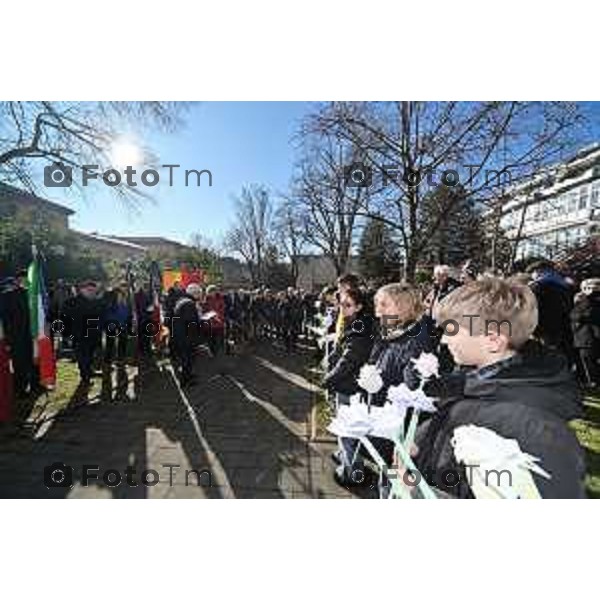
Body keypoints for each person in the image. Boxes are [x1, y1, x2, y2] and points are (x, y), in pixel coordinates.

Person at [412, 277, 585, 498]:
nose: (444, 340)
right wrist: (420, 449)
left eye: (451, 329)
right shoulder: (470, 384)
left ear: (493, 340)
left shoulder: (536, 424)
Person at [323, 287, 375, 486]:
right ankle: (350, 460)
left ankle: (351, 471)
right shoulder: (356, 322)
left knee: (347, 430)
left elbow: (349, 359)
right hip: (350, 383)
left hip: (348, 385)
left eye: (348, 305)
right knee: (350, 429)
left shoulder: (360, 327)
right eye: (341, 304)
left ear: (359, 306)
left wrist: (329, 378)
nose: (342, 308)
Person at [528, 260, 575, 363]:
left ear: (539, 271)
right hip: (563, 326)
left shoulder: (536, 286)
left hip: (542, 329)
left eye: (533, 272)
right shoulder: (566, 286)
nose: (532, 275)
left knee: (544, 357)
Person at [66, 280, 103, 387]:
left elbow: (100, 315)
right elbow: (66, 318)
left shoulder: (95, 301)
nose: (91, 292)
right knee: (83, 357)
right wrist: (67, 334)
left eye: (93, 290)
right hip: (79, 335)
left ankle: (89, 372)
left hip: (93, 334)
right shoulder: (72, 302)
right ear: (82, 290)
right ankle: (85, 376)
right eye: (89, 290)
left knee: (90, 356)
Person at [171, 283, 203, 387]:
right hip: (187, 337)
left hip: (180, 336)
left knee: (186, 359)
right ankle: (186, 380)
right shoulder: (189, 304)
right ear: (195, 293)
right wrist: (201, 322)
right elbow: (191, 323)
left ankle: (188, 376)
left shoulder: (182, 301)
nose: (200, 296)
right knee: (187, 360)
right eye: (199, 293)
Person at [571, 278, 600, 388]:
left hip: (588, 337)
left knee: (588, 360)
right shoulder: (586, 300)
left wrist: (578, 304)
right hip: (586, 336)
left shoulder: (588, 301)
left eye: (588, 288)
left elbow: (578, 316)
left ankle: (593, 382)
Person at [102, 286, 131, 366]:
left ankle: (119, 359)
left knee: (121, 341)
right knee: (111, 342)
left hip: (121, 323)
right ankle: (108, 360)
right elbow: (108, 312)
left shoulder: (124, 299)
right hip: (112, 323)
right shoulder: (111, 299)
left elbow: (126, 312)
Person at [204, 284, 226, 356]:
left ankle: (216, 352)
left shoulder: (220, 299)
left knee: (218, 340)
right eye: (210, 292)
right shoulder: (206, 299)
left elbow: (222, 309)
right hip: (209, 323)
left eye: (213, 291)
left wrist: (218, 316)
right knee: (210, 340)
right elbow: (205, 310)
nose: (212, 293)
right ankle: (212, 351)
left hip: (218, 322)